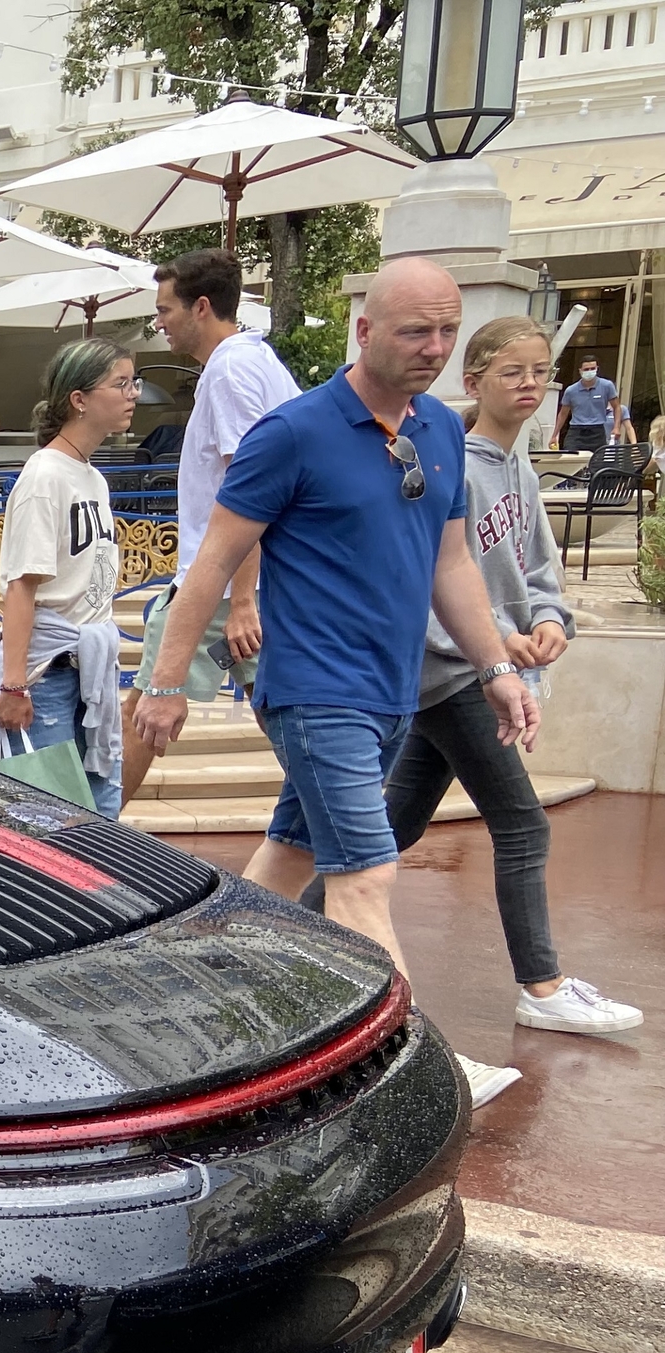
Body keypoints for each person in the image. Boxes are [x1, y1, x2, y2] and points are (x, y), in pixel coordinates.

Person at [141, 255, 540, 1107]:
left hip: (394, 692)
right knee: (365, 875)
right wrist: (167, 679)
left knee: (285, 861)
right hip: (314, 687)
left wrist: (497, 666)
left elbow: (452, 561)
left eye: (446, 330)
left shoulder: (437, 430)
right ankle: (418, 1064)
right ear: (365, 332)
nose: (434, 347)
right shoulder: (292, 432)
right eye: (414, 331)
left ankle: (199, 998)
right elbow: (213, 559)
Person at [303, 316, 642, 1042]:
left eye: (540, 371)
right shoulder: (447, 458)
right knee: (522, 823)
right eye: (512, 371)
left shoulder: (519, 468)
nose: (529, 385)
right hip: (451, 669)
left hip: (470, 667)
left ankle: (289, 937)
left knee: (392, 825)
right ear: (475, 379)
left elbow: (537, 568)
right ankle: (542, 984)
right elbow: (430, 572)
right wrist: (495, 646)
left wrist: (551, 619)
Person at [124, 248, 299, 802]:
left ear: (201, 307)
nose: (159, 322)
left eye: (165, 309)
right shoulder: (259, 362)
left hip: (221, 584)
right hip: (246, 580)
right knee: (286, 722)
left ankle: (72, 849)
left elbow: (247, 491)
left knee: (144, 715)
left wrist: (242, 599)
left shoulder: (229, 370)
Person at [0, 339, 135, 819]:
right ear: (79, 399)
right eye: (121, 383)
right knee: (48, 819)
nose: (133, 393)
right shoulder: (45, 476)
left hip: (88, 664)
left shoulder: (92, 476)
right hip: (46, 672)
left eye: (134, 382)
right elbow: (21, 586)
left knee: (101, 810)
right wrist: (12, 686)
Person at [556, 355, 624, 451]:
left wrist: (616, 427)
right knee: (570, 457)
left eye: (592, 368)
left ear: (597, 369)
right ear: (580, 370)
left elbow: (617, 407)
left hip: (597, 430)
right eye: (586, 369)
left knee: (596, 461)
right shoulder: (571, 390)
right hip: (576, 430)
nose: (589, 371)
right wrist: (555, 435)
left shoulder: (607, 386)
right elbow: (563, 414)